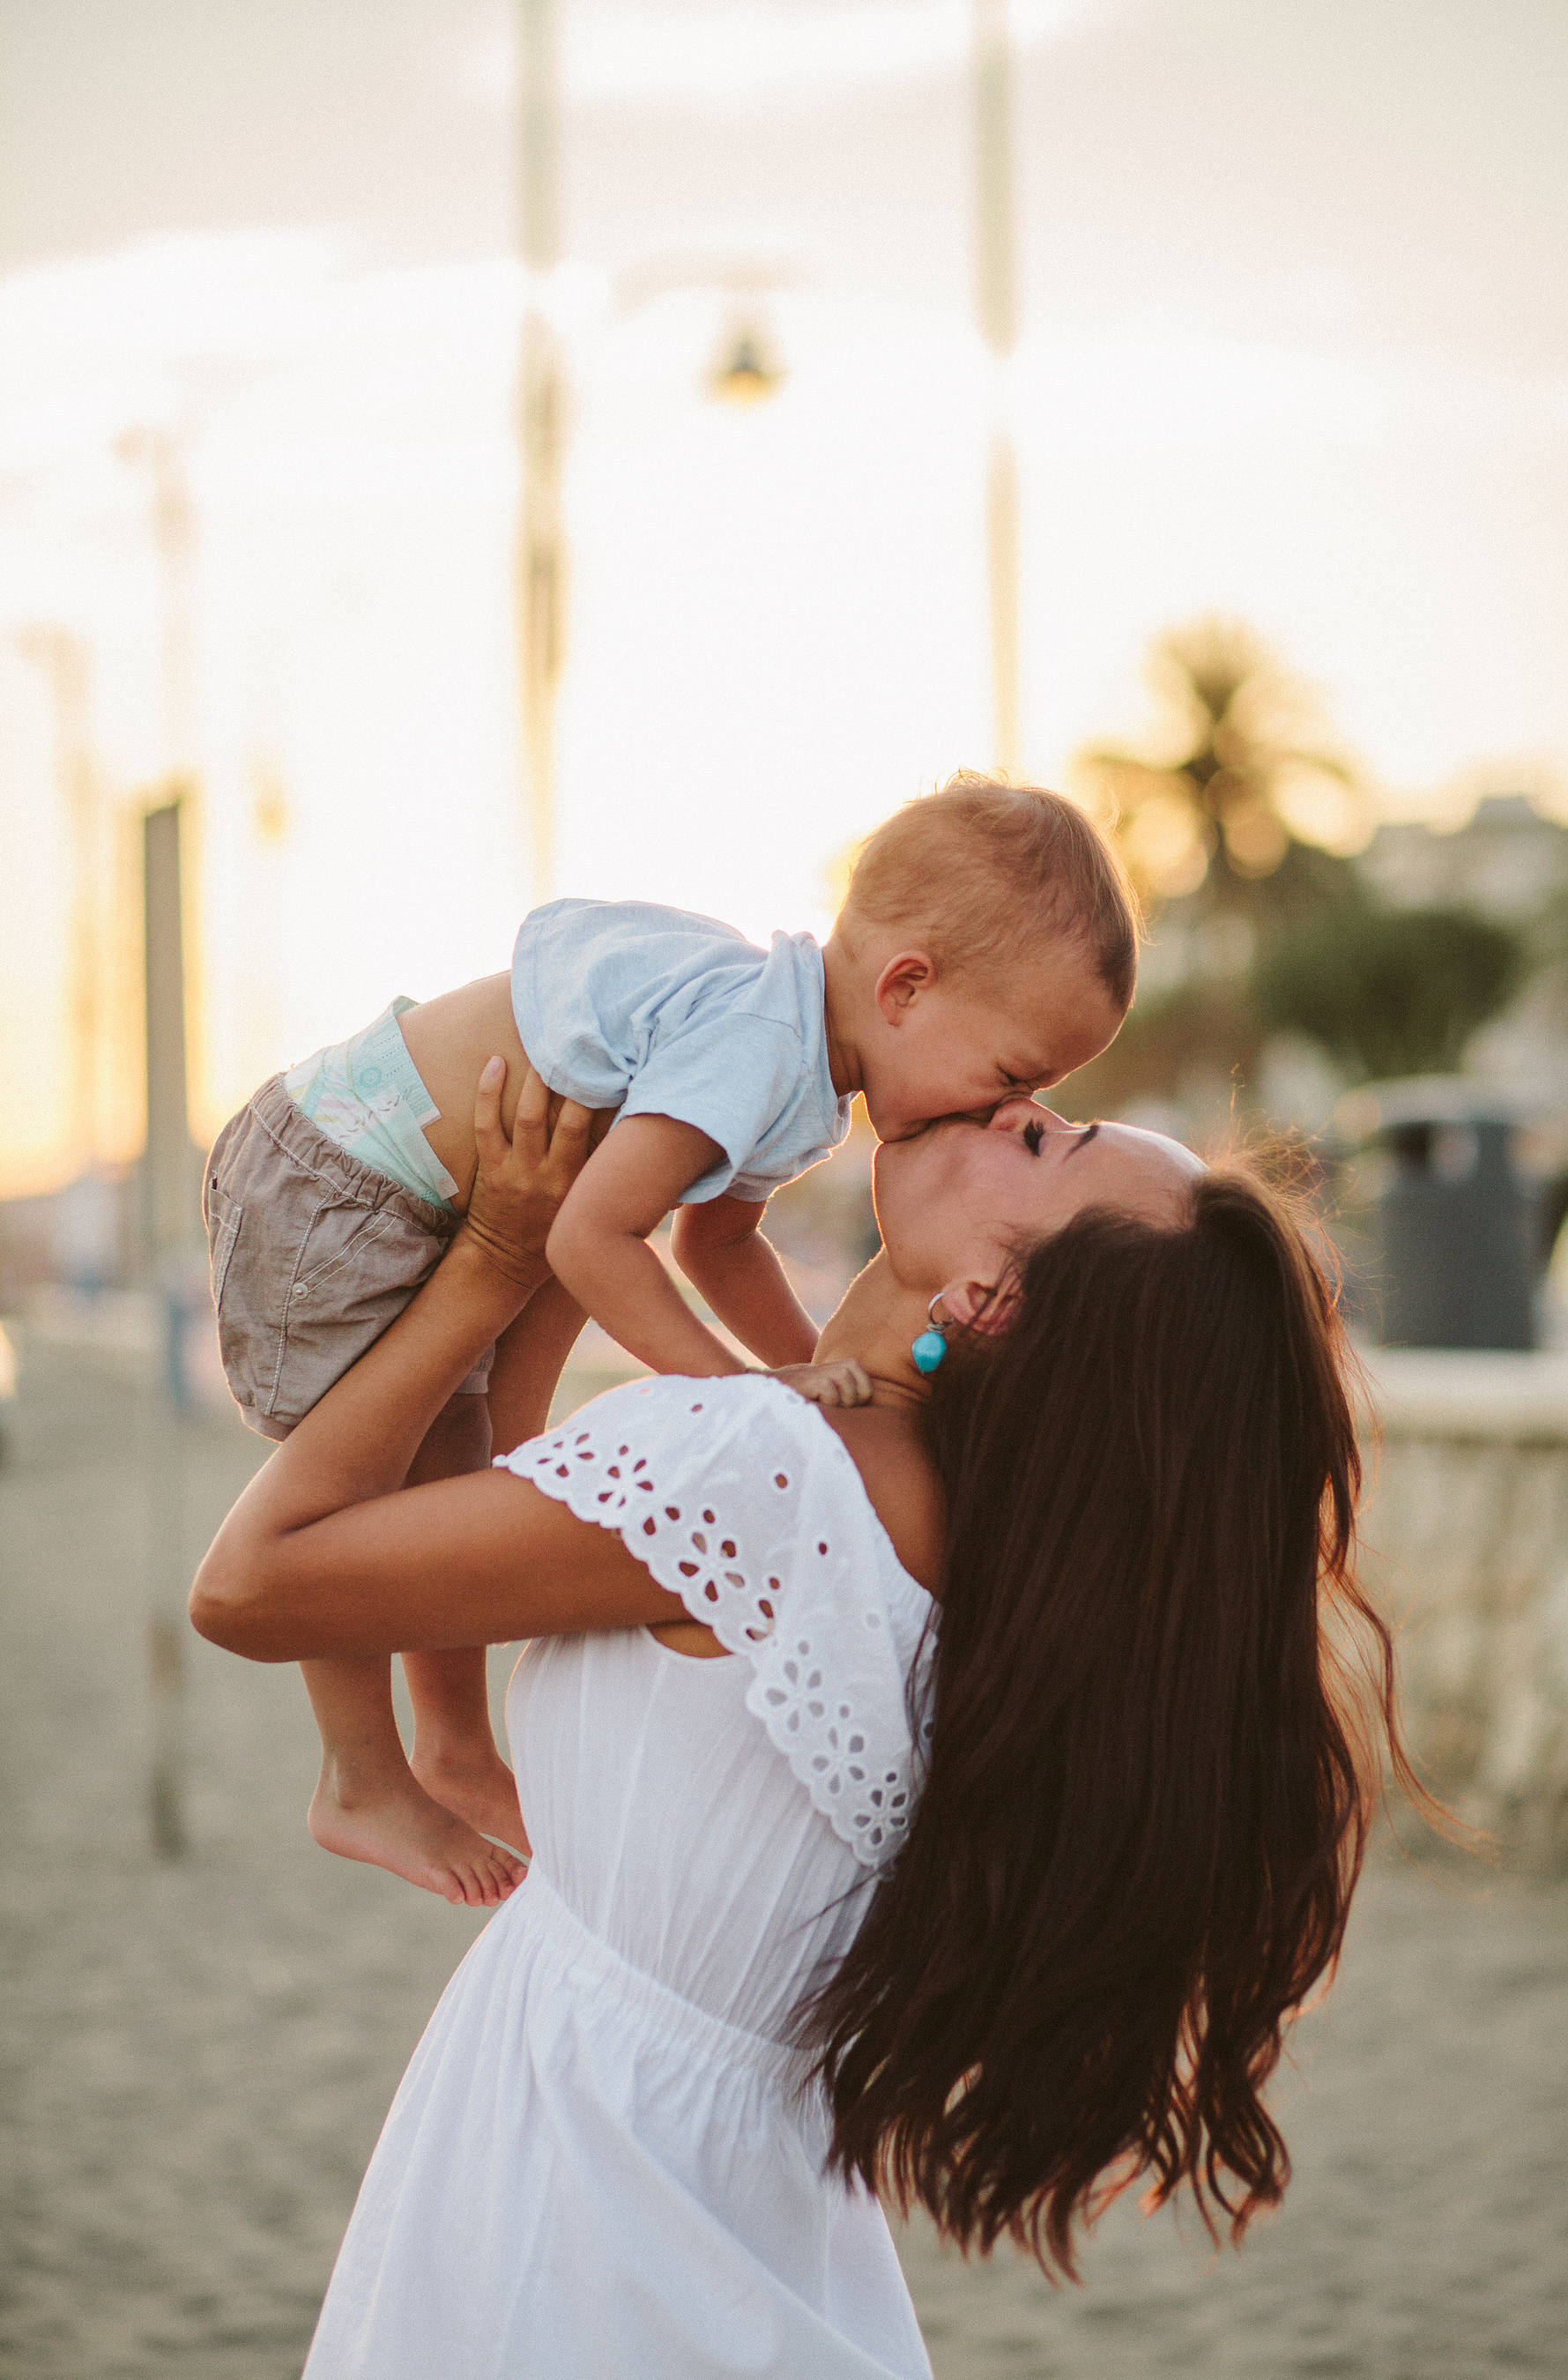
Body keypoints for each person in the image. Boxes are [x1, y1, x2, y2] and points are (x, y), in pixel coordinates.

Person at [191, 1060, 1422, 2379]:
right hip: (745, 2216)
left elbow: (255, 1586)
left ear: (989, 1303)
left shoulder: (760, 1471)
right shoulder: (971, 1563)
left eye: (1049, 1145)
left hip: (572, 2205)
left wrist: (497, 1256)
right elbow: (504, 1517)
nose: (1020, 1103)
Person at [201, 775, 1135, 1908]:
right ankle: (359, 1776)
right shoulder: (758, 1042)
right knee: (363, 1487)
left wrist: (810, 1384)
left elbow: (718, 1247)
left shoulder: (801, 1074)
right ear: (906, 987)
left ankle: (450, 1751)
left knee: (455, 1449)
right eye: (1012, 1075)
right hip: (336, 1182)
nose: (1007, 1110)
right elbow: (596, 1238)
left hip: (402, 1188)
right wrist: (743, 1396)